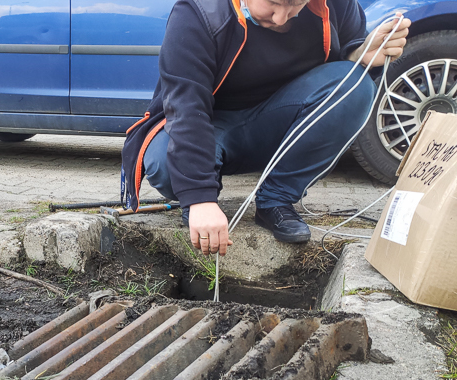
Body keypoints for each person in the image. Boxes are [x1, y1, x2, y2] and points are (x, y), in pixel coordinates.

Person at [120, 0, 410, 257]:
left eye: (295, 6)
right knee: (165, 165)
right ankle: (204, 186)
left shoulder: (335, 4)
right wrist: (200, 198)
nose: (282, 18)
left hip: (276, 123)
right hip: (210, 125)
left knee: (354, 84)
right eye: (272, 3)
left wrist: (362, 53)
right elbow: (185, 108)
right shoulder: (198, 13)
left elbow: (337, 76)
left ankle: (276, 199)